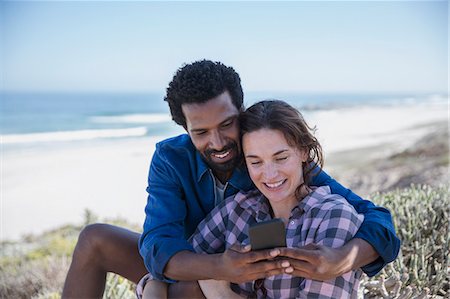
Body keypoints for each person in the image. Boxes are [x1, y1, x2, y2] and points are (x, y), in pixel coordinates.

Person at [62, 60, 400, 298]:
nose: (218, 142)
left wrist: (345, 258)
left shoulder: (269, 160)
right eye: (201, 132)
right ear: (185, 129)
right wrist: (219, 267)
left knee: (188, 289)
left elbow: (376, 220)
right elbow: (158, 245)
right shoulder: (170, 158)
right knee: (95, 238)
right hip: (196, 263)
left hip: (238, 279)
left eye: (227, 124)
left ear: (240, 110)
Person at [138, 100, 365, 298]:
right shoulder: (237, 209)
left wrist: (220, 292)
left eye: (281, 157)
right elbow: (178, 269)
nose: (270, 174)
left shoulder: (334, 217)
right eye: (256, 162)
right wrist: (154, 287)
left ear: (304, 152)